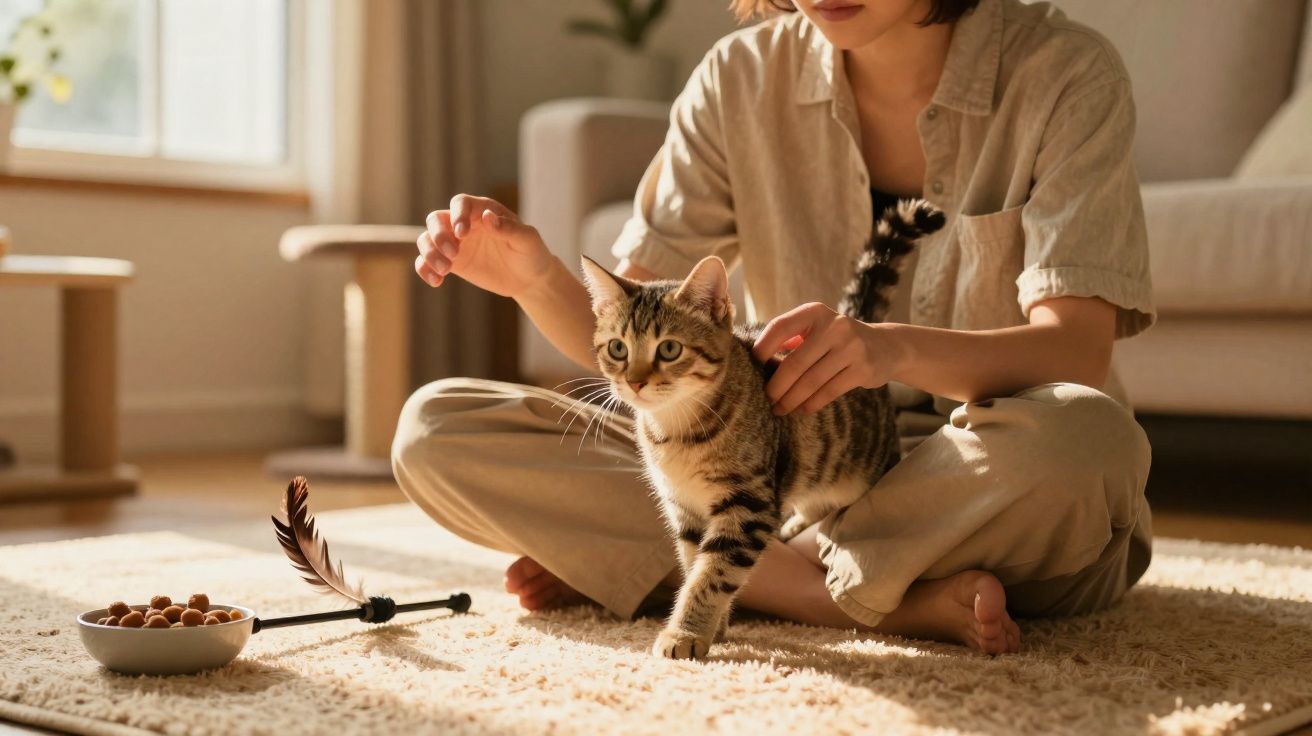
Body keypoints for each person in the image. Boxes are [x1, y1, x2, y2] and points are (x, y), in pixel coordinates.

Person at [394, 0, 1156, 655]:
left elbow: (1076, 354)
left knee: (1086, 442)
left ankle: (695, 569)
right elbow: (643, 338)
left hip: (982, 470)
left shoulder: (1065, 71)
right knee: (437, 429)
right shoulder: (737, 76)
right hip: (768, 473)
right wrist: (532, 276)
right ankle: (848, 596)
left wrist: (889, 349)